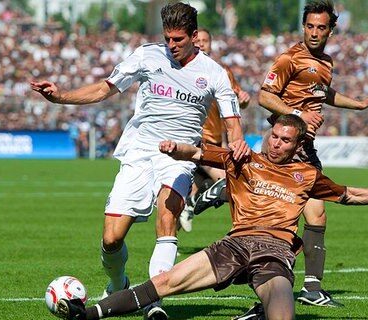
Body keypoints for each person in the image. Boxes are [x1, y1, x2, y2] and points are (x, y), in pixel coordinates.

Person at [52, 114, 368, 320]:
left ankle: (261, 314)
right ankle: (89, 314)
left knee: (284, 312)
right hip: (234, 245)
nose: (276, 143)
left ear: (298, 145)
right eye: (274, 136)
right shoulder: (244, 158)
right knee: (165, 282)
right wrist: (175, 148)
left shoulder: (308, 176)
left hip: (274, 253)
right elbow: (200, 153)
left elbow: (349, 194)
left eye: (285, 140)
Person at [30, 3, 250, 320]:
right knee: (111, 238)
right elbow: (105, 88)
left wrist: (238, 146)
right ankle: (119, 283)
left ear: (194, 36)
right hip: (139, 151)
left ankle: (152, 300)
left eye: (178, 39)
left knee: (168, 217)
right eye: (167, 38)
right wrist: (61, 96)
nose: (171, 45)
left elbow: (234, 126)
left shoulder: (214, 73)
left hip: (178, 156)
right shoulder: (147, 55)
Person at [194, 0, 368, 308]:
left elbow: (324, 93)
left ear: (331, 30)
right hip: (288, 150)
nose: (313, 32)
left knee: (314, 217)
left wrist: (360, 104)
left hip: (306, 148)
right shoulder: (289, 58)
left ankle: (302, 288)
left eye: (320, 27)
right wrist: (298, 114)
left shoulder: (326, 62)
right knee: (301, 217)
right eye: (309, 26)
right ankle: (289, 290)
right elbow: (264, 96)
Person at [178, 28, 251, 232]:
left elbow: (237, 103)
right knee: (226, 181)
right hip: (194, 140)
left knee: (195, 191)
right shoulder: (182, 69)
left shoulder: (221, 71)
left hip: (215, 142)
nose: (201, 44)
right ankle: (242, 232)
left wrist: (243, 99)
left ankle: (188, 207)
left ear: (211, 43)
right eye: (197, 40)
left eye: (205, 40)